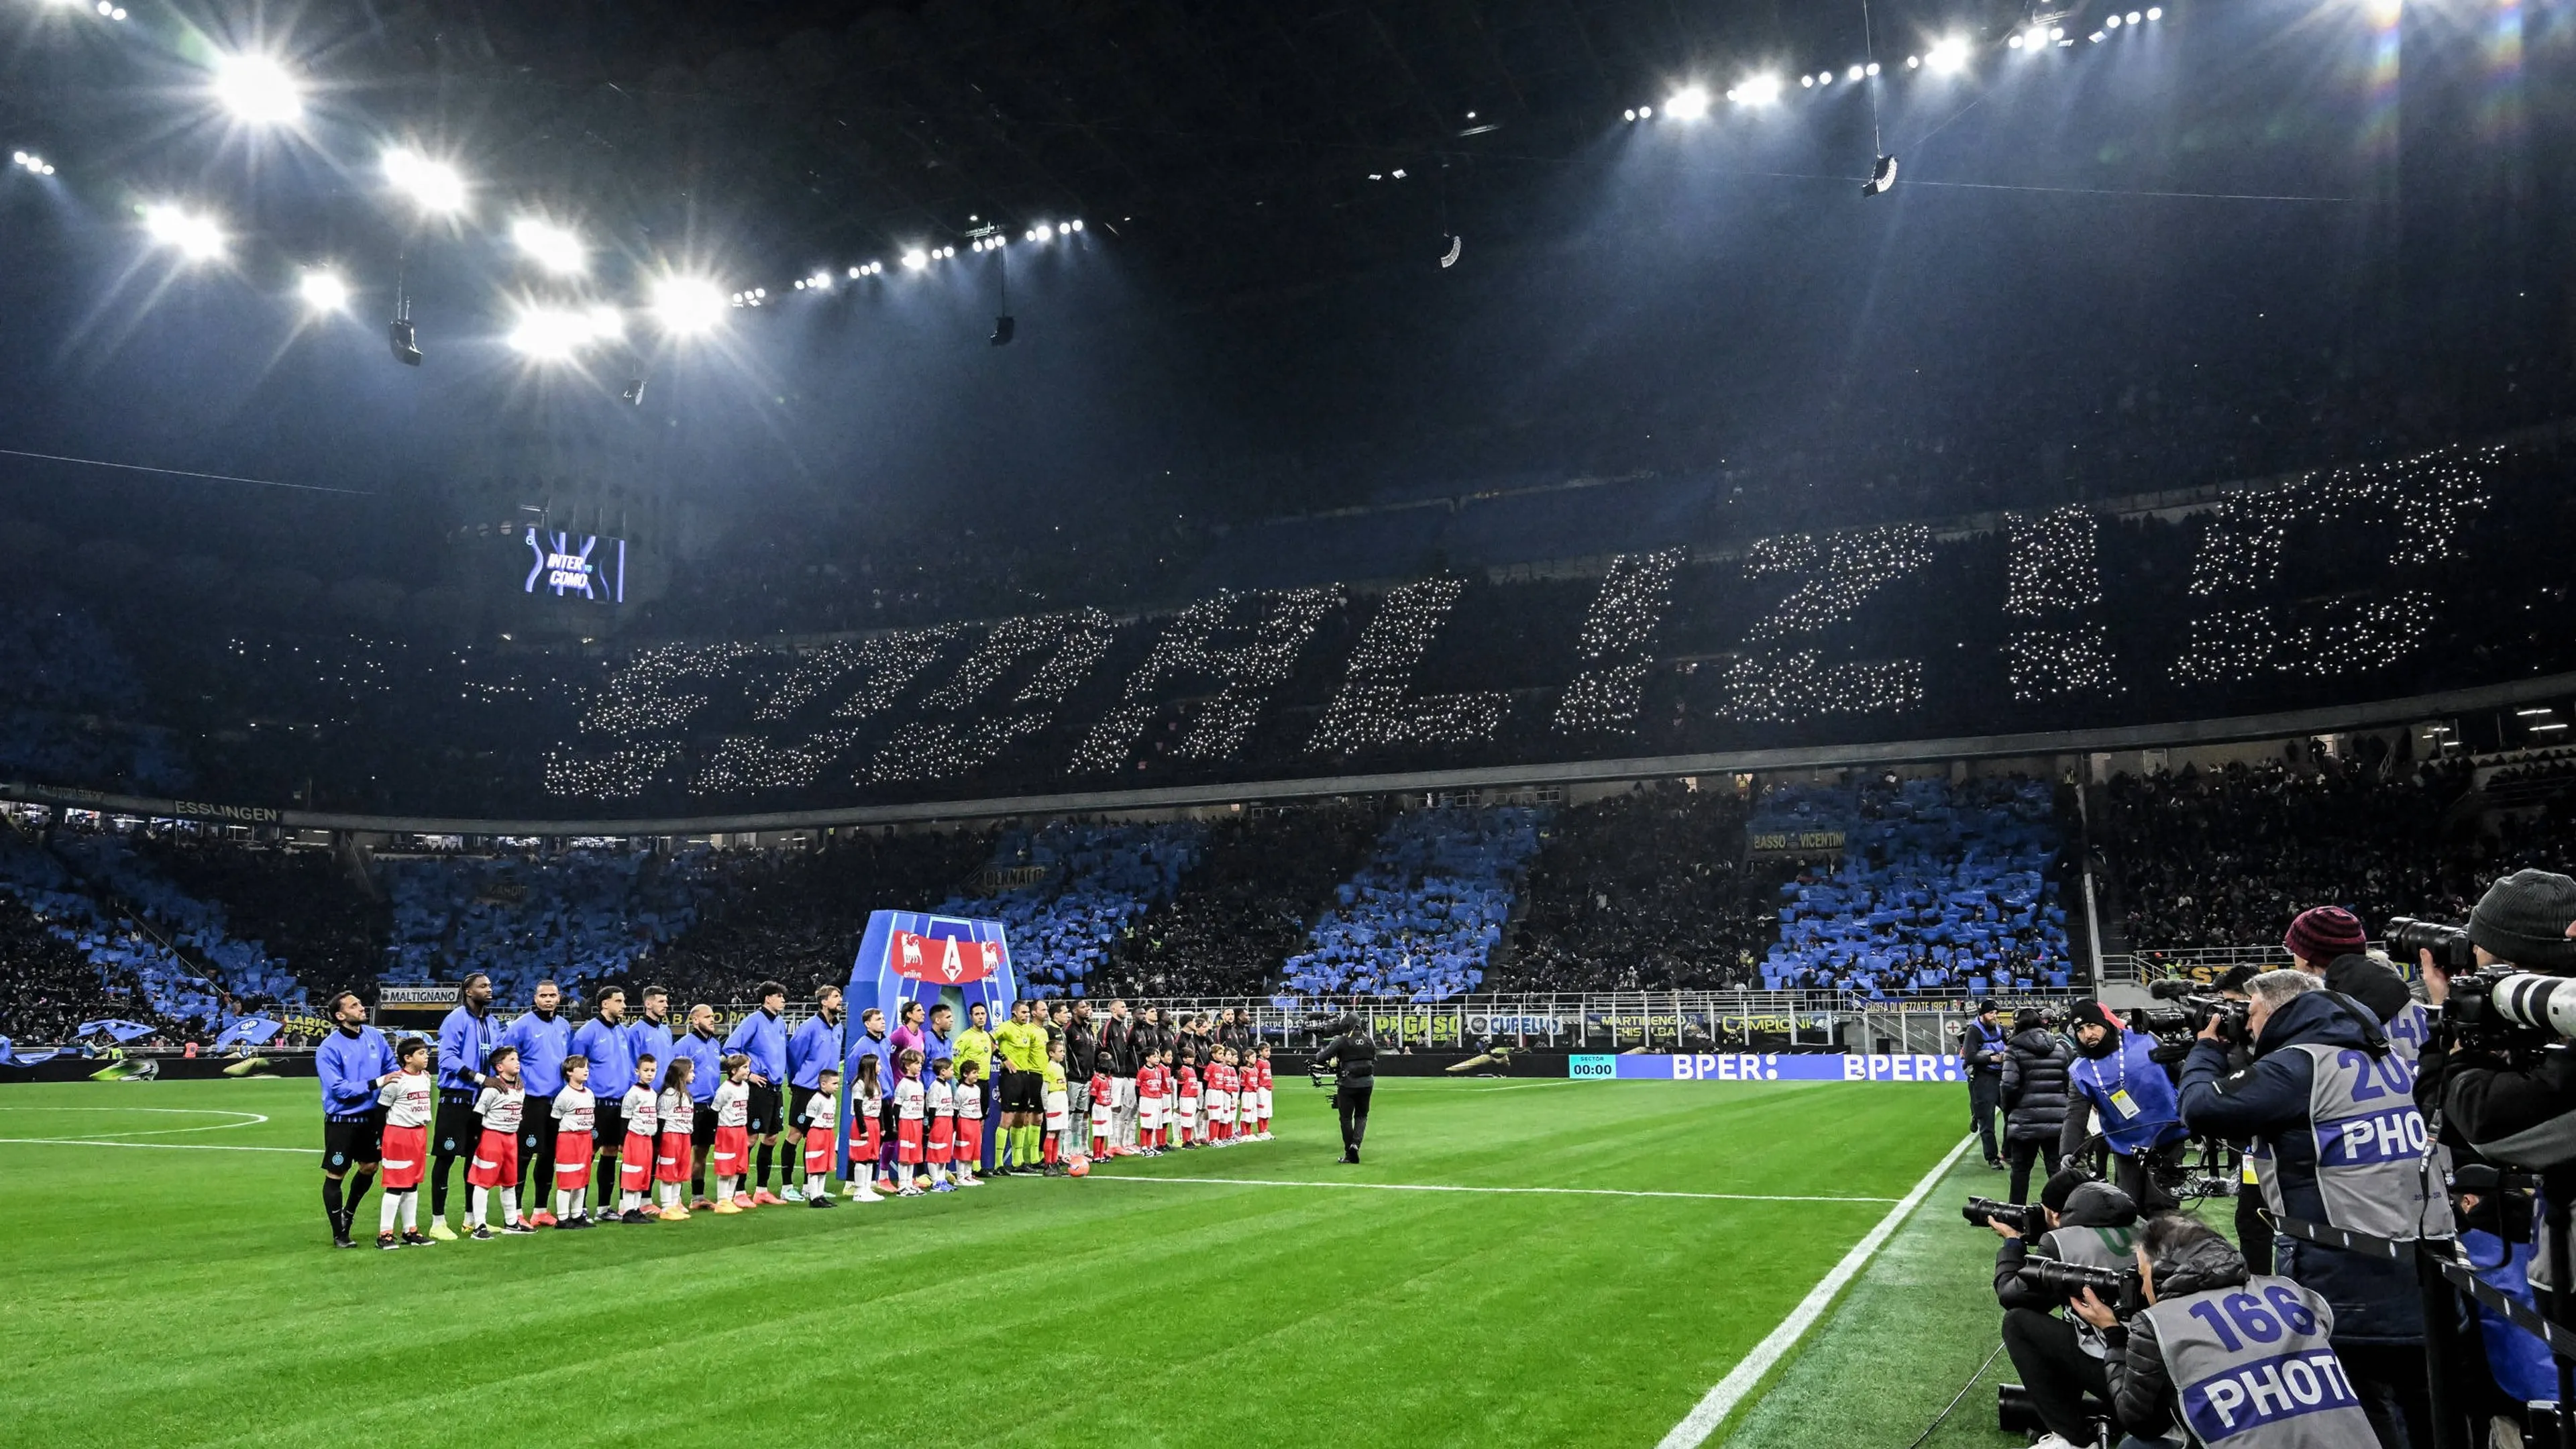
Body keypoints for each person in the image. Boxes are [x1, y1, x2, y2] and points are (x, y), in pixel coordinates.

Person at [2178, 968, 2451, 1448]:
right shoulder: (2380, 1049)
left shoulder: (2300, 1064)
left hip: (2343, 1263)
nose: (2250, 1024)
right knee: (2427, 1405)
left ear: (2280, 1010)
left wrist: (2206, 1049)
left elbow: (2200, 1107)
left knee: (2357, 1409)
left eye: (2254, 1012)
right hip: (2423, 1255)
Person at [2082, 1214, 2374, 1449]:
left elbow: (2141, 1422)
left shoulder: (2161, 1322)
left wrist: (2114, 1333)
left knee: (2136, 1446)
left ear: (2160, 1272)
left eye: (2142, 1272)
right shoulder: (2290, 1291)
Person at [1989, 1170, 2140, 1449]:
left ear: (2059, 1214)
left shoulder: (2062, 1242)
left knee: (2018, 1323)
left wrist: (2012, 1243)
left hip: (2120, 1366)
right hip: (2161, 1367)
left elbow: (2012, 1295)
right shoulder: (2146, 1227)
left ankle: (2071, 1436)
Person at [2062, 1002, 2186, 1213]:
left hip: (2168, 1136)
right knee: (2128, 1207)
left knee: (2162, 1206)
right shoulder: (2080, 1070)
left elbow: (2180, 1074)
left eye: (2092, 1026)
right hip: (2126, 1146)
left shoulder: (2145, 1040)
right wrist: (2067, 1151)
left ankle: (2167, 1246)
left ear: (2104, 1023)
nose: (2087, 1034)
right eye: (2080, 1030)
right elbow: (2075, 1113)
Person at [317, 988, 399, 1250]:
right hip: (342, 1120)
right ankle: (339, 1233)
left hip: (372, 1117)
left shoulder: (375, 1036)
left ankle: (348, 1214)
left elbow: (391, 1069)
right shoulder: (328, 1048)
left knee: (369, 1168)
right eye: (354, 1006)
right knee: (337, 1172)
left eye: (360, 1004)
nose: (362, 1008)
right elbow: (339, 1089)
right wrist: (378, 1082)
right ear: (341, 1016)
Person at [428, 971, 499, 1240]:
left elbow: (497, 1057)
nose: (489, 989)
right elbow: (446, 1058)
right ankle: (438, 1221)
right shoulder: (456, 1019)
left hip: (483, 1102)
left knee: (476, 1160)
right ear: (468, 991)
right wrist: (481, 1078)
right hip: (456, 1100)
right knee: (446, 1159)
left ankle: (473, 1219)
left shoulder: (492, 1023)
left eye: (490, 985)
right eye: (483, 986)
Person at [498, 980, 572, 1226]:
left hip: (557, 1101)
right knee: (524, 1155)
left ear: (559, 998)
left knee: (549, 1155)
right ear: (535, 998)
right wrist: (513, 1082)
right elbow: (503, 1057)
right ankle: (516, 1211)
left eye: (553, 995)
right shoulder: (521, 1026)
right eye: (543, 995)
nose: (548, 999)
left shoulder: (563, 1026)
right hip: (531, 1100)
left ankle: (541, 1209)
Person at [723, 981, 791, 1205]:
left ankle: (761, 1190)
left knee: (771, 1137)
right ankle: (738, 1191)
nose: (783, 999)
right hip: (758, 1087)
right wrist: (749, 1073)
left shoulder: (780, 1023)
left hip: (775, 1088)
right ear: (767, 999)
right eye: (779, 996)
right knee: (750, 1137)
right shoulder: (754, 1021)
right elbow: (731, 1048)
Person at [570, 986, 633, 1218]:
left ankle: (604, 1208)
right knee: (588, 1153)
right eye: (619, 1001)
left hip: (620, 1104)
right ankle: (580, 1207)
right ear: (605, 1004)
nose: (624, 1006)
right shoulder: (588, 1032)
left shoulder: (623, 1032)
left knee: (611, 1152)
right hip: (596, 1104)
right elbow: (574, 1065)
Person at [2000, 1008, 2074, 1204]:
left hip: (2025, 1120)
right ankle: (2064, 1213)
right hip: (2057, 1119)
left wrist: (2009, 1110)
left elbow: (2008, 1085)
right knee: (2056, 1170)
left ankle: (2016, 1214)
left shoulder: (2013, 1050)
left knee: (2021, 1171)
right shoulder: (2059, 1048)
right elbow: (2068, 1084)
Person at [374, 1036, 436, 1250]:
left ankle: (410, 1230)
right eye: (422, 1053)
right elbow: (380, 1111)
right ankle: (385, 1234)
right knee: (395, 1185)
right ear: (407, 1058)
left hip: (419, 1134)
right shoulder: (396, 1081)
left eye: (426, 1052)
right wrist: (380, 1139)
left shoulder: (426, 1078)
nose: (427, 1056)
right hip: (398, 1135)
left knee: (412, 1184)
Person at [786, 985, 845, 1203]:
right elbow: (794, 1055)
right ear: (823, 1001)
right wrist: (796, 1080)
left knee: (816, 1138)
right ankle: (786, 1186)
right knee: (795, 1135)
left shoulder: (838, 1028)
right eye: (836, 997)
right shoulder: (810, 1026)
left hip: (825, 1091)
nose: (840, 1001)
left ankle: (809, 1188)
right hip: (806, 1088)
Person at [466, 1044, 532, 1239]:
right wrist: (478, 1140)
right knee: (483, 1182)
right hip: (492, 1137)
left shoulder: (520, 1087)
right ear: (499, 1067)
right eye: (511, 1059)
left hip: (511, 1138)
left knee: (510, 1182)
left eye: (517, 1058)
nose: (517, 1062)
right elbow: (477, 1115)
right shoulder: (492, 1089)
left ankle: (511, 1222)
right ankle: (479, 1226)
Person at [674, 1004, 724, 1209]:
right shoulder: (684, 1045)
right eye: (708, 1017)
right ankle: (675, 1198)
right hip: (691, 1105)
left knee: (702, 1152)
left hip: (710, 1105)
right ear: (695, 1020)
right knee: (682, 1152)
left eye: (713, 1016)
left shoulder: (714, 1044)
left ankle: (698, 1197)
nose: (713, 1020)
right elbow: (674, 1075)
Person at [994, 999, 1047, 1175]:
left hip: (1026, 1076)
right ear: (1015, 1013)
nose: (1026, 1016)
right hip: (1011, 1077)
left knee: (1022, 1119)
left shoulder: (1028, 1030)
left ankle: (1018, 1161)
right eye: (1023, 1013)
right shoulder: (1005, 1027)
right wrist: (1003, 1058)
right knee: (1007, 1119)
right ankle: (998, 1164)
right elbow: (989, 1038)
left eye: (1027, 1013)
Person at [1313, 1014, 1377, 1163]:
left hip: (1348, 1083)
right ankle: (1356, 1144)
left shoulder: (1342, 1040)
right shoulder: (1369, 1040)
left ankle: (1350, 1152)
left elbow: (1321, 1058)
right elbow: (1374, 1059)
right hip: (1367, 1083)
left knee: (1346, 1118)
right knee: (1362, 1116)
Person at [549, 1055, 598, 1229]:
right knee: (567, 1179)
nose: (586, 1070)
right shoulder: (564, 1096)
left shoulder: (590, 1093)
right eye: (582, 1067)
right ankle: (563, 1218)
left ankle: (577, 1215)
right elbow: (555, 1119)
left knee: (582, 1178)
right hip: (569, 1139)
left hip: (585, 1138)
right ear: (570, 1072)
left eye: (587, 1067)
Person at [1964, 1000, 2010, 1170]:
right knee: (1988, 1119)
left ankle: (2008, 1152)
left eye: (1996, 1013)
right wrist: (1991, 1058)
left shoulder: (1999, 1028)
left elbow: (2009, 1044)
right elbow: (1969, 1057)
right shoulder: (1974, 1031)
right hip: (1983, 1077)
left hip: (2001, 1075)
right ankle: (1992, 1158)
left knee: (2012, 1114)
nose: (1995, 1016)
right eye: (1991, 1013)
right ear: (1983, 1014)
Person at [953, 1001, 997, 1175]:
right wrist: (961, 1078)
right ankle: (965, 1167)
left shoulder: (987, 1036)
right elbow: (956, 1057)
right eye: (977, 1014)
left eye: (983, 1014)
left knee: (981, 1123)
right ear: (971, 1017)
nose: (981, 1017)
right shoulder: (965, 1037)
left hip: (984, 1083)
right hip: (971, 1084)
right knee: (968, 1123)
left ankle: (975, 1165)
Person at [616, 1052, 660, 1224]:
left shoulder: (653, 1093)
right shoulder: (633, 1093)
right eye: (646, 1070)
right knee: (632, 1175)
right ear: (637, 1071)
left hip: (647, 1139)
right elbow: (625, 1118)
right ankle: (628, 1211)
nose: (650, 1074)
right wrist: (622, 1141)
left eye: (653, 1070)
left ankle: (636, 1210)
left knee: (643, 1175)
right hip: (634, 1138)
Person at [710, 1052, 754, 1214]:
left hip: (741, 1130)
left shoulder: (746, 1087)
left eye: (748, 1067)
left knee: (738, 1167)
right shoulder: (725, 1089)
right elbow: (715, 1109)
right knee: (726, 1167)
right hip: (727, 1131)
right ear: (733, 1070)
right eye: (744, 1067)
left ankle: (729, 1198)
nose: (748, 1070)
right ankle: (722, 1201)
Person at [654, 1057, 696, 1220]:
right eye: (691, 1071)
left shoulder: (686, 1095)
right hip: (671, 1137)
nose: (694, 1074)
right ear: (681, 1074)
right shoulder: (669, 1095)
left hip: (684, 1136)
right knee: (669, 1172)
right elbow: (662, 1120)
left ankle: (674, 1204)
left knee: (680, 1171)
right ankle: (666, 1207)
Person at [800, 1065, 841, 1208]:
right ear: (823, 1084)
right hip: (817, 1133)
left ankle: (820, 1195)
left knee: (823, 1167)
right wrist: (808, 1135)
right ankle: (813, 1197)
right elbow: (808, 1119)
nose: (837, 1086)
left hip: (828, 1133)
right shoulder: (816, 1099)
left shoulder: (833, 1100)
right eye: (834, 1083)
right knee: (815, 1167)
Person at [847, 1053, 886, 1203]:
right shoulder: (860, 1085)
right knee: (861, 1158)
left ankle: (867, 1189)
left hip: (874, 1124)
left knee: (871, 1158)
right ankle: (858, 1192)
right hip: (863, 1123)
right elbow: (858, 1108)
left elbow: (880, 1107)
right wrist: (863, 1128)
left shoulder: (876, 1084)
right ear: (870, 1067)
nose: (881, 1068)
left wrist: (881, 1126)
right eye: (878, 1065)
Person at [892, 1047, 927, 1196]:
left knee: (913, 1155)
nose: (920, 1066)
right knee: (905, 1155)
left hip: (917, 1122)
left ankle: (910, 1183)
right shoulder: (903, 1084)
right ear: (907, 1065)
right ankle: (903, 1185)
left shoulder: (919, 1084)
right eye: (916, 1063)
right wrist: (897, 1124)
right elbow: (897, 1107)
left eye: (921, 1063)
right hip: (906, 1122)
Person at [1040, 1037, 1072, 1175]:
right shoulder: (1049, 1068)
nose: (1063, 1053)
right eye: (1060, 1051)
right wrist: (1046, 1107)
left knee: (1058, 1133)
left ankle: (1054, 1162)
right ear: (1051, 1054)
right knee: (1052, 1132)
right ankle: (1048, 1165)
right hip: (1054, 1099)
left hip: (1062, 1098)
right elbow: (1044, 1090)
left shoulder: (1060, 1067)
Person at [951, 1058, 985, 1187]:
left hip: (975, 1122)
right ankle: (960, 1177)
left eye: (977, 1072)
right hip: (965, 1122)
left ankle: (968, 1175)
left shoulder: (977, 1088)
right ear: (966, 1074)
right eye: (974, 1072)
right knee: (963, 1150)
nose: (977, 1075)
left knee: (973, 1151)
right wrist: (955, 1126)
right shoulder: (961, 1090)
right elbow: (956, 1108)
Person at [926, 1057, 959, 1192]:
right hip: (938, 1121)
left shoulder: (947, 1085)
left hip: (947, 1121)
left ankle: (942, 1180)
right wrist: (931, 1125)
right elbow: (932, 1108)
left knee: (944, 1153)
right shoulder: (935, 1087)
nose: (953, 1072)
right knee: (936, 1152)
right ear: (943, 1071)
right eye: (951, 1070)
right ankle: (935, 1182)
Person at [1137, 1047, 1168, 1155]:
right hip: (1147, 1100)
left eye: (1158, 1056)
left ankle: (1150, 1146)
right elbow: (1137, 1087)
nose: (1157, 1059)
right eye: (1154, 1056)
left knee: (1153, 1124)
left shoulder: (1159, 1071)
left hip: (1157, 1100)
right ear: (1147, 1058)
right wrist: (1140, 1101)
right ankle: (1144, 1147)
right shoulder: (1143, 1071)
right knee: (1146, 1124)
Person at [1088, 1051, 1115, 1163]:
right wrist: (1090, 1110)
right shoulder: (1096, 1079)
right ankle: (1096, 1156)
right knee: (1099, 1132)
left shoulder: (1109, 1079)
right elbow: (1093, 1097)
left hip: (1107, 1107)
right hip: (1099, 1107)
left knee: (1104, 1132)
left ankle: (1102, 1154)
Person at [1174, 1049, 1201, 1150]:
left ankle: (1189, 1140)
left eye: (1193, 1056)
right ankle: (1185, 1141)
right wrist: (1178, 1100)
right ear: (1184, 1059)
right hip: (1186, 1097)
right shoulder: (1183, 1070)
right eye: (1190, 1057)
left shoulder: (1191, 1069)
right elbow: (1180, 1086)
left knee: (1190, 1120)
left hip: (1192, 1097)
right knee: (1186, 1120)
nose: (1193, 1059)